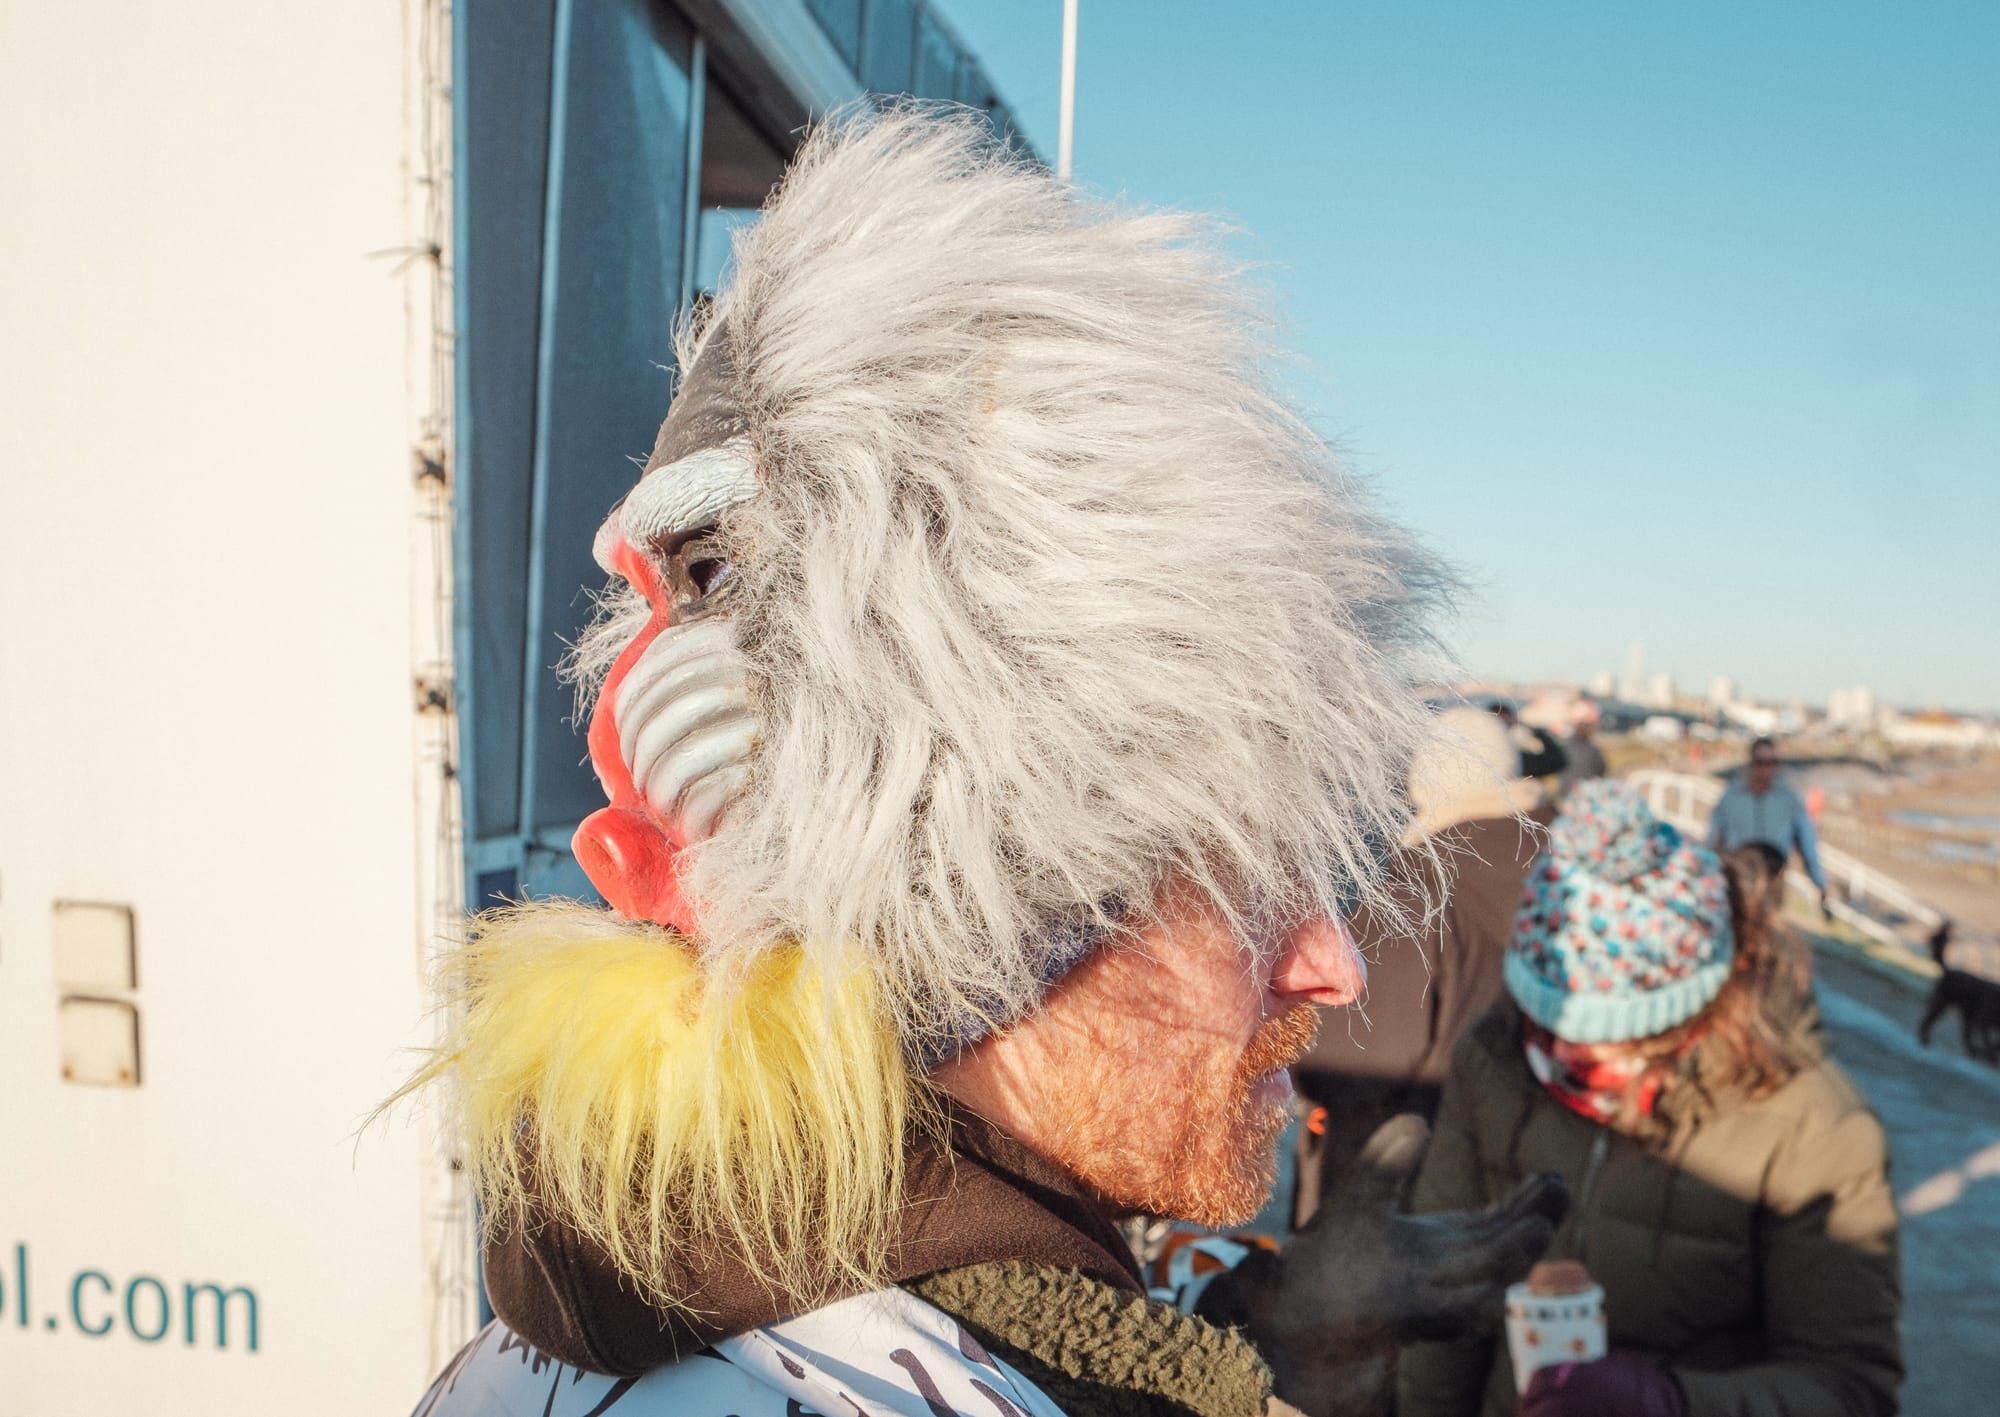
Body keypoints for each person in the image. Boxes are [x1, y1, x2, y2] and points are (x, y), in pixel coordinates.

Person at [402, 109, 1560, 1417]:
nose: (1329, 962)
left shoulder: (765, 1306)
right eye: (1245, 884)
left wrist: (1263, 1346)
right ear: (979, 928)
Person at [1398, 780, 1901, 1417]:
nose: (1566, 1055)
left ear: (1702, 1005)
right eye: (1548, 1019)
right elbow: (1449, 1295)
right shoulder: (1497, 1053)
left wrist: (1667, 1404)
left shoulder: (1813, 1125)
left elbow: (1852, 1386)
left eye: (1610, 1035)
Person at [1292, 706, 1548, 1222]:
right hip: (1545, 1168)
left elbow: (1360, 1053)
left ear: (1426, 783)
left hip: (1413, 1180)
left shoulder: (1418, 880)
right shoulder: (1566, 862)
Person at [1706, 737, 1828, 912]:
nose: (1766, 769)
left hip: (1773, 881)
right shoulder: (1730, 797)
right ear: (1751, 763)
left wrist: (1819, 883)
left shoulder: (1789, 799)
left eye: (1771, 763)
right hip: (1738, 880)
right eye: (1761, 762)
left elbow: (1807, 844)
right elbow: (1713, 839)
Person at [1556, 700, 1606, 797]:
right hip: (1579, 799)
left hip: (1573, 797)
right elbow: (1601, 771)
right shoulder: (1592, 749)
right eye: (1588, 725)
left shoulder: (1563, 746)